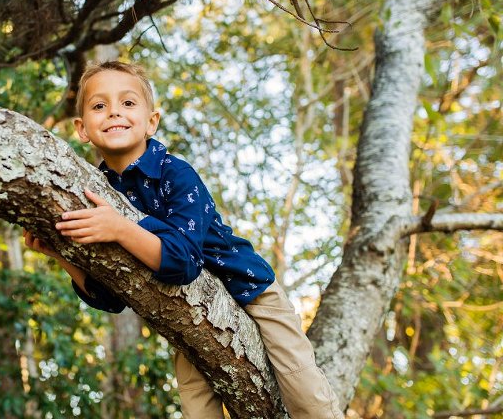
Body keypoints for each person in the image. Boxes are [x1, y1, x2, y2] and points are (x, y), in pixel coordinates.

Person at [23, 61, 343, 418]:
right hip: (190, 313)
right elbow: (112, 295)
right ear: (82, 129)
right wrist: (61, 255)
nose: (114, 111)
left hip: (251, 290)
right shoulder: (97, 193)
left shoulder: (175, 173)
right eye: (99, 106)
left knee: (305, 391)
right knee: (195, 404)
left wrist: (120, 229)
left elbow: (184, 261)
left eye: (128, 103)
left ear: (151, 121)